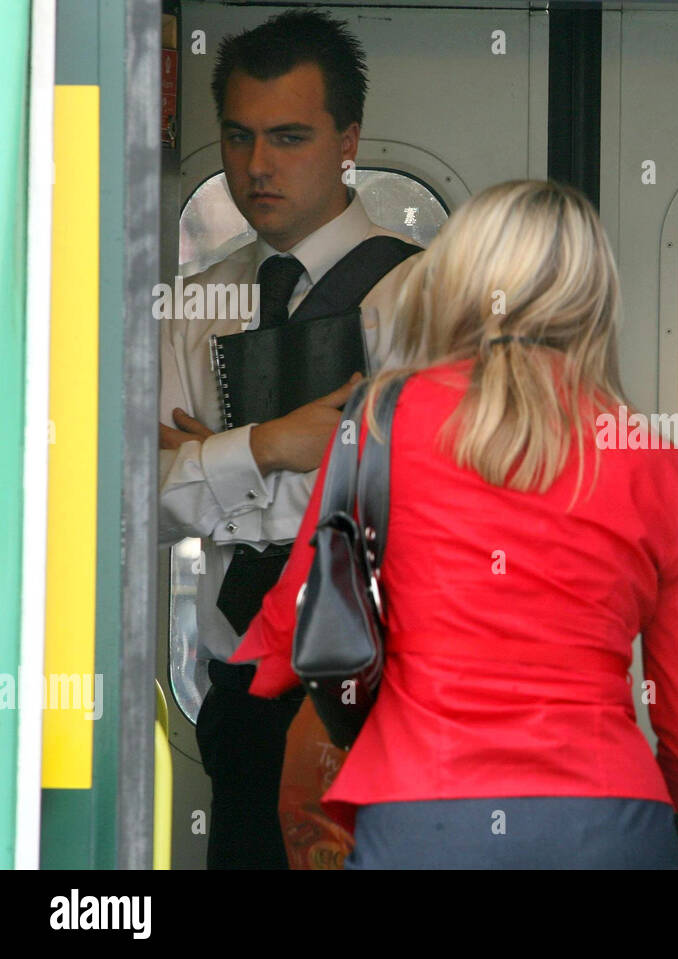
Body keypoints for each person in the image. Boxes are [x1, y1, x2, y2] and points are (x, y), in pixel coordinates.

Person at [231, 180, 678, 869]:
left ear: (461, 280)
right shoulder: (657, 464)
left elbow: (301, 611)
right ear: (595, 301)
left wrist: (260, 678)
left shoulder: (382, 419)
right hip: (606, 817)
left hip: (422, 812)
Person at [157, 10, 424, 869]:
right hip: (236, 682)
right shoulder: (194, 305)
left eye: (289, 137)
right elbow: (135, 503)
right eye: (238, 137)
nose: (257, 166)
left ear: (348, 140)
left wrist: (211, 465)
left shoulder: (428, 295)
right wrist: (271, 444)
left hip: (392, 686)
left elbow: (430, 494)